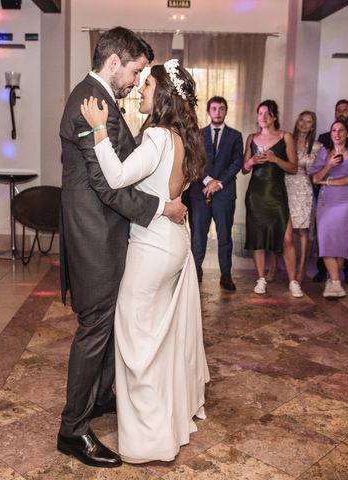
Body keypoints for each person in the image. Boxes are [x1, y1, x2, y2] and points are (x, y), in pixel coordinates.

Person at [57, 28, 187, 468]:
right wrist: (161, 208)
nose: (135, 81)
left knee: (108, 322)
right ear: (114, 63)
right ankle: (72, 429)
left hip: (111, 232)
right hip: (94, 233)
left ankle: (99, 398)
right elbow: (106, 185)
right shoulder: (87, 105)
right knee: (95, 326)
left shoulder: (105, 102)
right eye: (134, 72)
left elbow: (125, 167)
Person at [80, 58, 210, 463]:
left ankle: (150, 438)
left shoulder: (157, 136)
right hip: (173, 243)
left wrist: (100, 130)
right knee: (158, 340)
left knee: (137, 344)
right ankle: (166, 421)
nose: (140, 89)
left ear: (164, 94)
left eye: (148, 84)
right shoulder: (185, 138)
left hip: (152, 248)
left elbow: (117, 178)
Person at [242, 100, 302, 298]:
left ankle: (293, 282)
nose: (263, 117)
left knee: (286, 238)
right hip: (256, 195)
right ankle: (261, 278)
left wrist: (276, 159)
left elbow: (293, 168)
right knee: (258, 238)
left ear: (274, 116)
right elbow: (244, 169)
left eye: (267, 113)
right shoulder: (251, 138)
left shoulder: (286, 137)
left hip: (276, 194)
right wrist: (252, 160)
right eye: (260, 113)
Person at [188, 96, 243, 291]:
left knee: (225, 236)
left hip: (225, 193)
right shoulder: (198, 135)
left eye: (221, 108)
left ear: (226, 111)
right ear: (208, 111)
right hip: (200, 192)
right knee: (198, 236)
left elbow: (237, 163)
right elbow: (194, 161)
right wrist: (207, 180)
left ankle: (226, 275)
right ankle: (195, 272)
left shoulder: (235, 136)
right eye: (214, 108)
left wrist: (218, 184)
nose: (218, 112)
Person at [313, 99, 348, 286]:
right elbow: (315, 177)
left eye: (341, 130)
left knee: (344, 239)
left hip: (347, 199)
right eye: (334, 131)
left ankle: (340, 276)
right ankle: (330, 276)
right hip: (326, 199)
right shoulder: (323, 148)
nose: (337, 133)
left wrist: (327, 181)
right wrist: (328, 166)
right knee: (325, 237)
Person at [284, 110, 321, 283]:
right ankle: (284, 266)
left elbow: (316, 171)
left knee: (303, 230)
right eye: (302, 120)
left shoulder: (316, 146)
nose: (304, 124)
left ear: (313, 126)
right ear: (297, 121)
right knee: (285, 229)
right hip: (285, 185)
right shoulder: (287, 139)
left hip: (304, 188)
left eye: (309, 122)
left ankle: (301, 268)